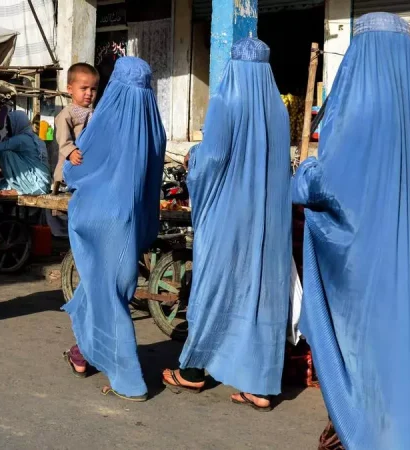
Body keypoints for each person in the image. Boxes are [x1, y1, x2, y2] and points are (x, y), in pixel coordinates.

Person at [292, 13, 410, 449]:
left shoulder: (356, 105)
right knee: (402, 348)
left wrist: (304, 175)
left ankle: (360, 432)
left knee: (361, 353)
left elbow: (332, 186)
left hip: (363, 264)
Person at [160, 38, 292, 411]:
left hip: (228, 216)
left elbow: (214, 157)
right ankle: (261, 386)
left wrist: (193, 157)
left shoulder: (225, 101)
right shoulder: (277, 108)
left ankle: (194, 370)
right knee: (260, 293)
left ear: (232, 67)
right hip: (268, 218)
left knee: (215, 285)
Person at [61, 57, 166, 401]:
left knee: (105, 294)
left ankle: (129, 379)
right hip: (132, 220)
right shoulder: (155, 126)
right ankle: (83, 353)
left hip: (100, 218)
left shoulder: (106, 120)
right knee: (107, 290)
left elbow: (77, 169)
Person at [0, 110, 51, 195]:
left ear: (17, 124)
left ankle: (19, 190)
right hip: (43, 184)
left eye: (9, 124)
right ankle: (17, 187)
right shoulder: (34, 138)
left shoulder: (22, 139)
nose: (7, 128)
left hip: (36, 186)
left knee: (5, 152)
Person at [53, 63, 99, 184]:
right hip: (70, 163)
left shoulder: (95, 113)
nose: (89, 93)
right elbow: (63, 138)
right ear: (70, 89)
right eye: (84, 88)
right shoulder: (68, 113)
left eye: (93, 89)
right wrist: (71, 151)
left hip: (86, 164)